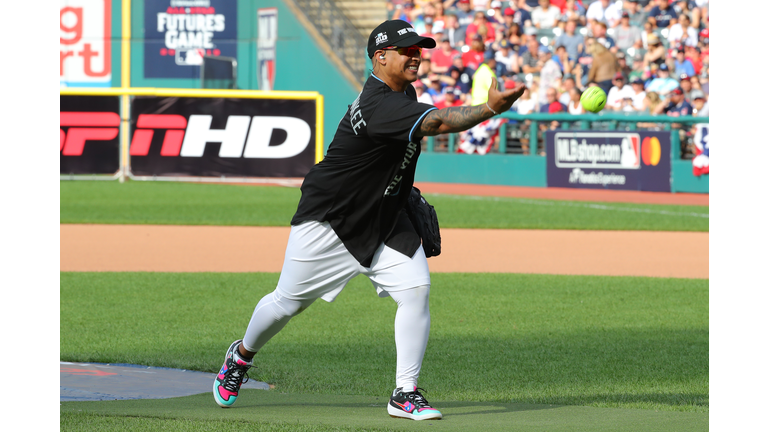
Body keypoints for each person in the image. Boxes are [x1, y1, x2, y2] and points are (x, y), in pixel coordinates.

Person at [212, 19, 526, 421]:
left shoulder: (402, 92)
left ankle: (405, 392)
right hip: (331, 221)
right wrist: (488, 108)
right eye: (406, 50)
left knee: (415, 290)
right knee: (286, 303)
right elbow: (438, 123)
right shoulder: (381, 103)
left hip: (383, 218)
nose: (416, 55)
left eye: (419, 49)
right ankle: (240, 357)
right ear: (380, 57)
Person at [460, 50, 507, 154]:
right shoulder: (488, 73)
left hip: (476, 108)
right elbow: (494, 92)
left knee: (476, 141)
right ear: (490, 61)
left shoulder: (480, 70)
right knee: (484, 140)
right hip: (485, 110)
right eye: (493, 60)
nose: (495, 62)